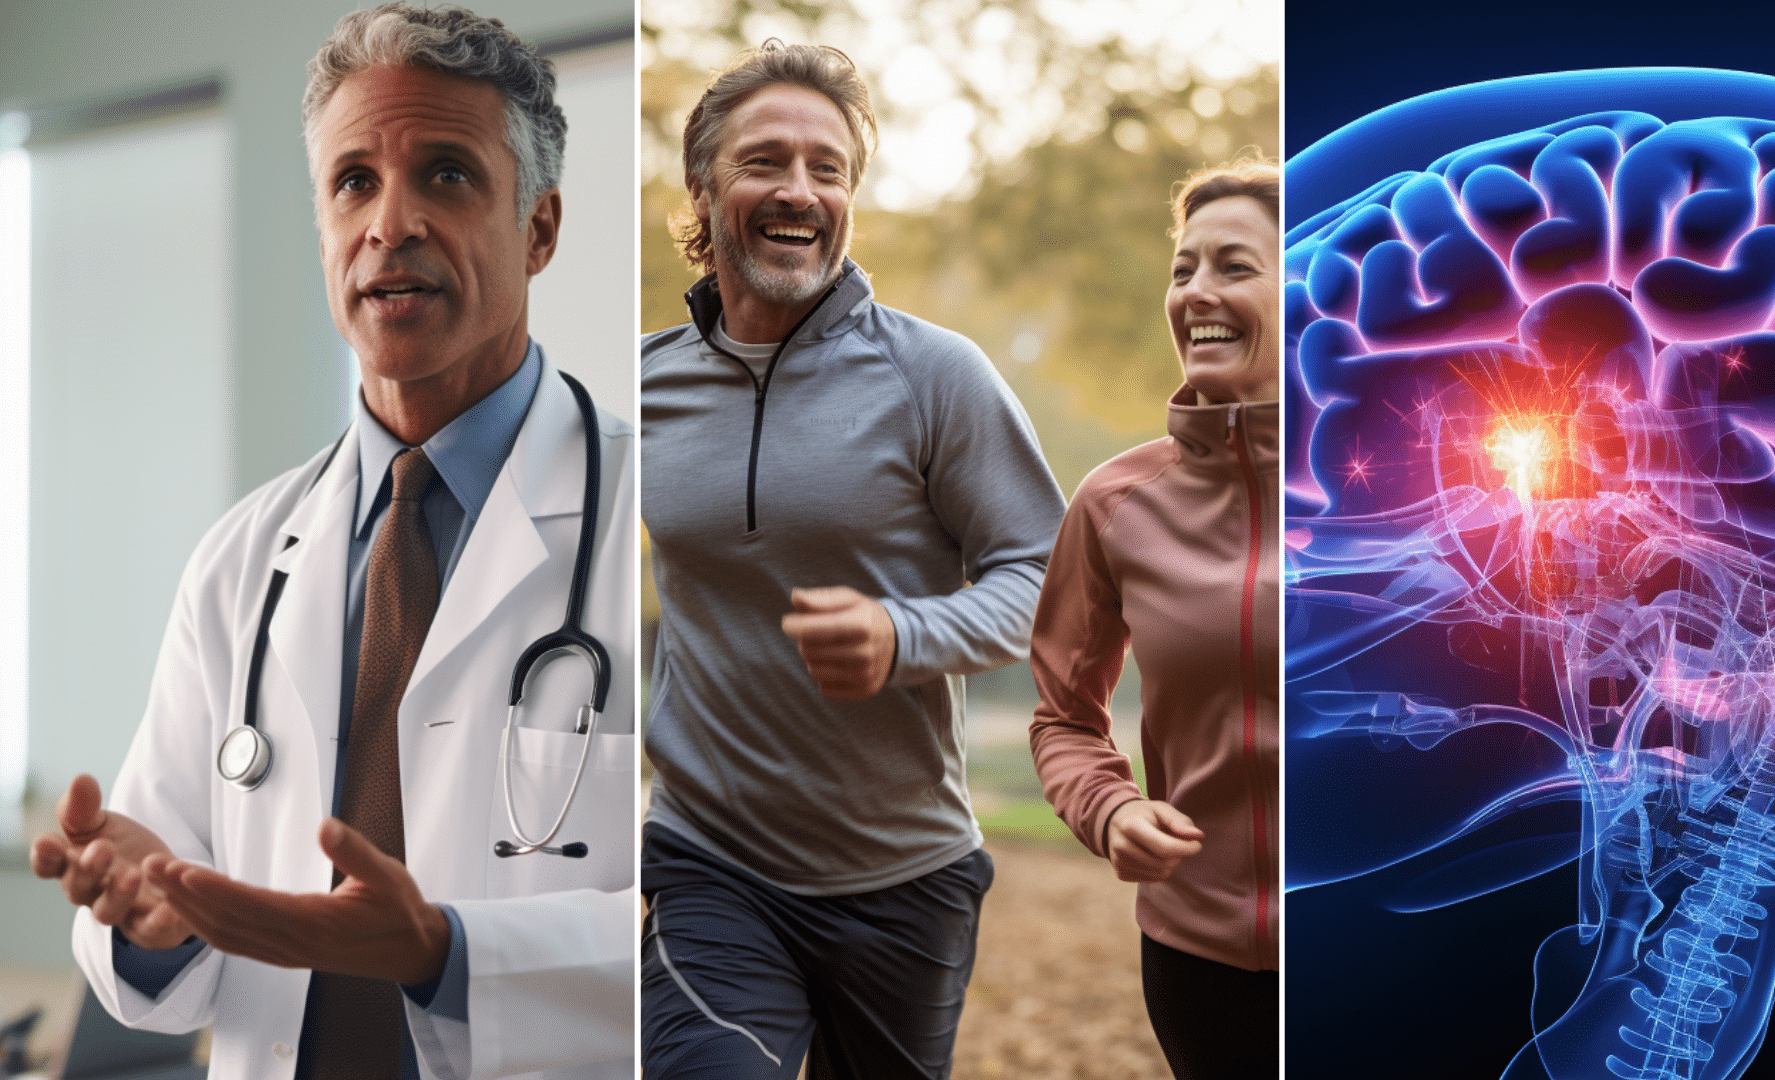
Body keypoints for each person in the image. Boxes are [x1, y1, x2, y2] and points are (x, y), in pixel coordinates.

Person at [25, 6, 634, 1078]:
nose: (389, 223)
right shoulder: (239, 558)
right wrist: (145, 915)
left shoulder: (657, 522)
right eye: (353, 181)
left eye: (447, 174)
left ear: (540, 229)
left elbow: (731, 918)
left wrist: (449, 956)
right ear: (320, 231)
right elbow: (168, 894)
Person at [640, 40, 1066, 1080]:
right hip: (709, 858)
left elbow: (1049, 580)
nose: (800, 191)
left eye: (828, 170)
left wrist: (904, 633)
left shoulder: (935, 377)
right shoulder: (641, 385)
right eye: (765, 162)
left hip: (903, 874)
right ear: (704, 188)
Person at [1027, 157, 1279, 1079]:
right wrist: (1111, 809)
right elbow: (1063, 716)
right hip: (1197, 959)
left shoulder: (1410, 491)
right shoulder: (1114, 503)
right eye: (1183, 270)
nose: (1198, 292)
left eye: (1234, 266)